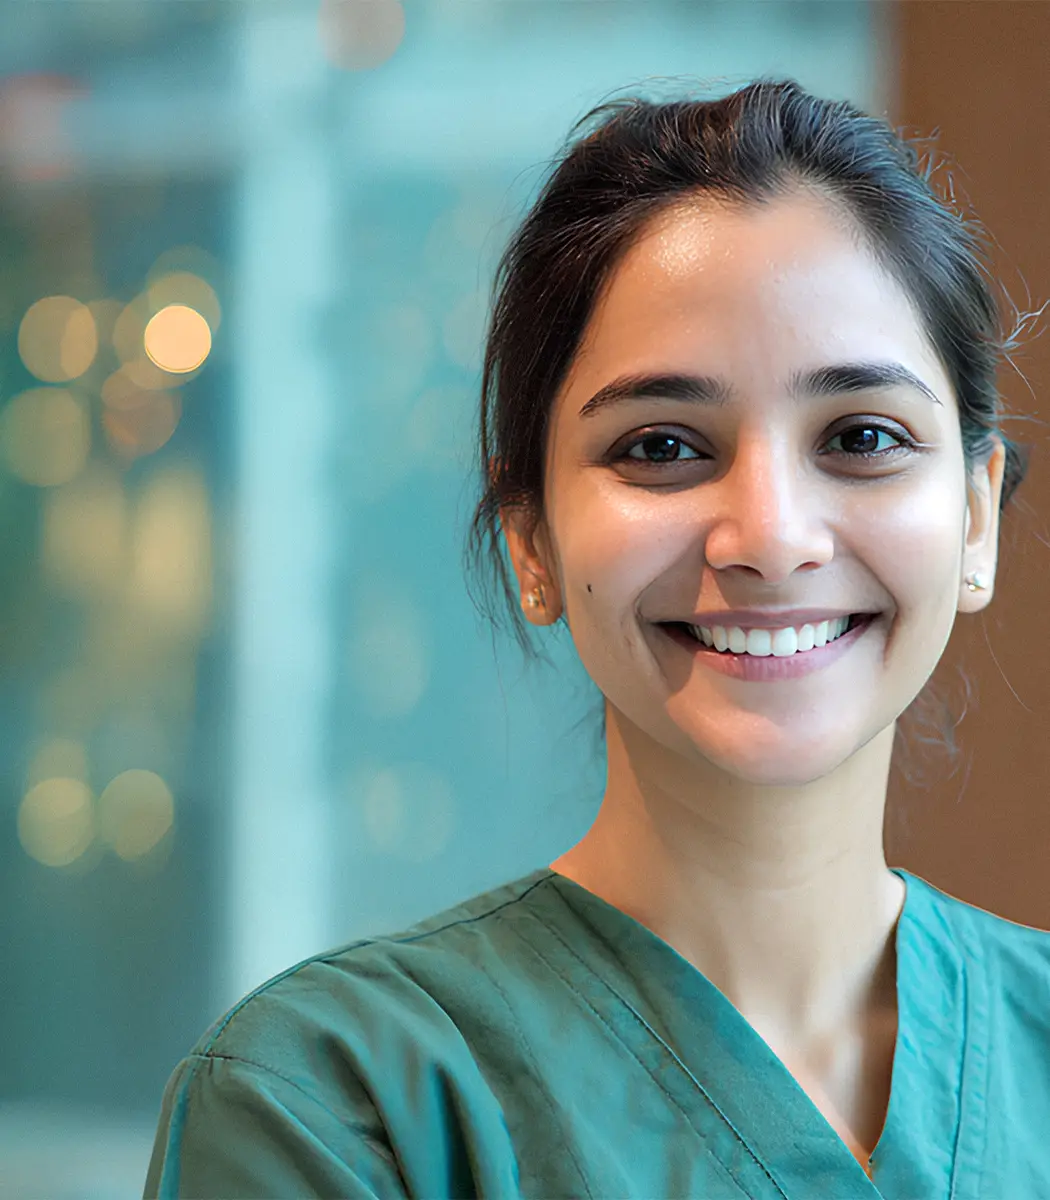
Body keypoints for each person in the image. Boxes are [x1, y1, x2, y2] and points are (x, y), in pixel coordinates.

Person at [144, 77, 1050, 1198]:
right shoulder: (338, 1107)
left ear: (973, 516)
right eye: (663, 447)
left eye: (862, 435)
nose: (769, 538)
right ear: (530, 538)